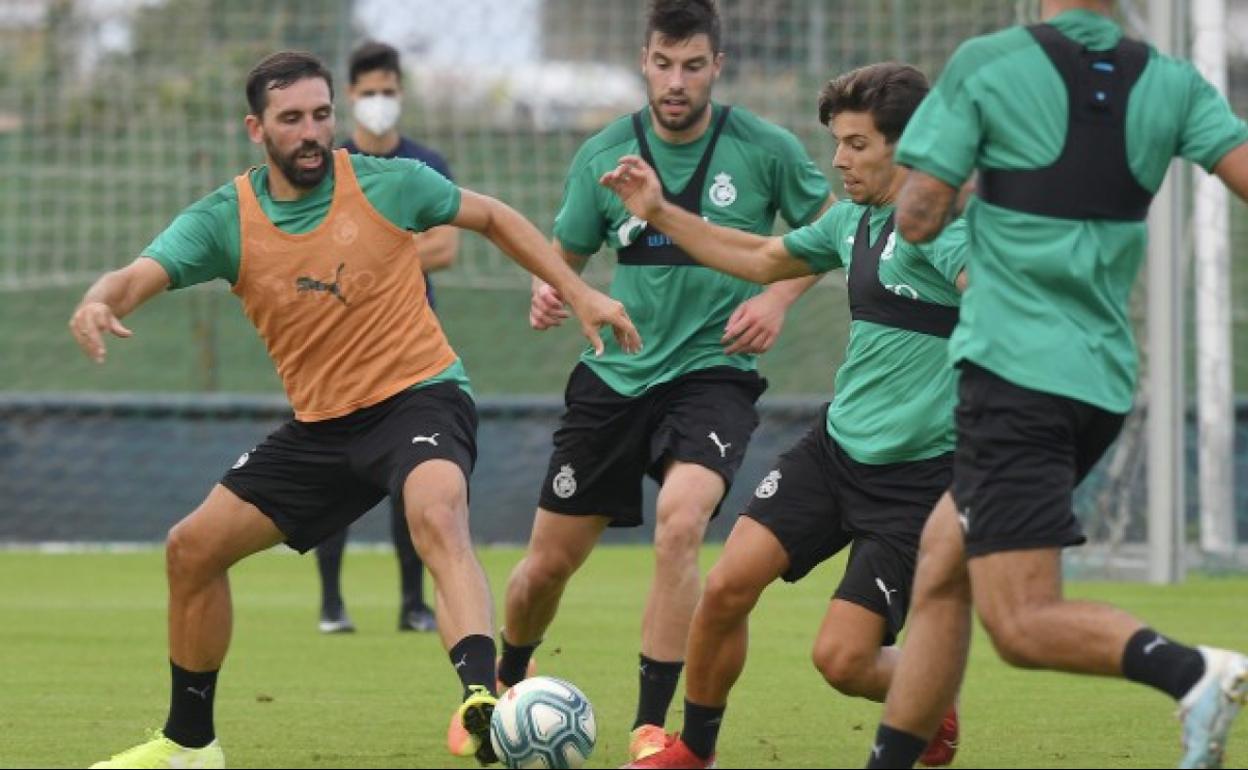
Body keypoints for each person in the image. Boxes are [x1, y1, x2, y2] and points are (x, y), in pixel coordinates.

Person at [73, 50, 639, 769]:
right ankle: (189, 743)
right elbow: (135, 275)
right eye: (291, 119)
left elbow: (492, 217)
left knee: (437, 513)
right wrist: (98, 300)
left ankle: (481, 699)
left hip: (419, 396)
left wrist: (579, 291)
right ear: (256, 128)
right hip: (324, 427)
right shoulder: (227, 219)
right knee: (191, 549)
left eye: (321, 114)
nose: (312, 131)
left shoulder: (387, 182)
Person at [854, 2, 1248, 768]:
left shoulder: (988, 63)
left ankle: (1193, 672)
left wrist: (953, 175)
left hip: (1014, 378)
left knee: (1022, 623)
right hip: (1098, 383)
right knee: (940, 566)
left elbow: (922, 216)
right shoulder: (1171, 81)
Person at [598, 63, 967, 770]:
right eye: (837, 141)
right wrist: (658, 212)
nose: (839, 158)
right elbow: (764, 257)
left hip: (918, 485)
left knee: (842, 661)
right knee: (727, 585)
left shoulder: (944, 228)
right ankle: (694, 751)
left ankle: (924, 694)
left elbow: (996, 295)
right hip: (835, 452)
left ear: (909, 144)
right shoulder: (851, 219)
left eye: (858, 143)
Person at [494, 0, 834, 761]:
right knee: (545, 568)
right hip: (616, 374)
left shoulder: (766, 149)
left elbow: (830, 233)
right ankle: (503, 683)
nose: (676, 80)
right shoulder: (604, 153)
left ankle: (651, 726)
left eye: (692, 66)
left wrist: (776, 298)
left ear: (717, 66)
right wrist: (553, 289)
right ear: (644, 62)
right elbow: (565, 253)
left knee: (681, 525)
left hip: (715, 372)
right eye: (662, 64)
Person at [314, 40, 459, 636]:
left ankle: (411, 603)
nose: (379, 102)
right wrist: (398, 250)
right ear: (350, 97)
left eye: (388, 92)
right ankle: (330, 604)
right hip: (335, 343)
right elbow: (316, 252)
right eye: (369, 92)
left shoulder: (426, 165)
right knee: (330, 470)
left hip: (407, 344)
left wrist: (366, 257)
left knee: (414, 470)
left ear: (401, 95)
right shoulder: (327, 165)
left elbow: (446, 247)